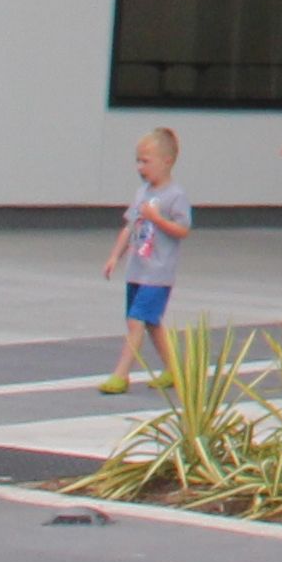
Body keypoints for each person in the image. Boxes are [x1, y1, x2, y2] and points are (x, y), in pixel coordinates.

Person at [102, 125, 189, 394]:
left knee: (136, 321)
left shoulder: (175, 195)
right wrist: (115, 256)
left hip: (158, 274)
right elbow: (129, 227)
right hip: (137, 269)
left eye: (146, 161)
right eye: (138, 161)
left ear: (167, 161)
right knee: (151, 323)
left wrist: (158, 219)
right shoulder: (142, 193)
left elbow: (183, 229)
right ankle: (174, 369)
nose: (140, 168)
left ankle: (121, 374)